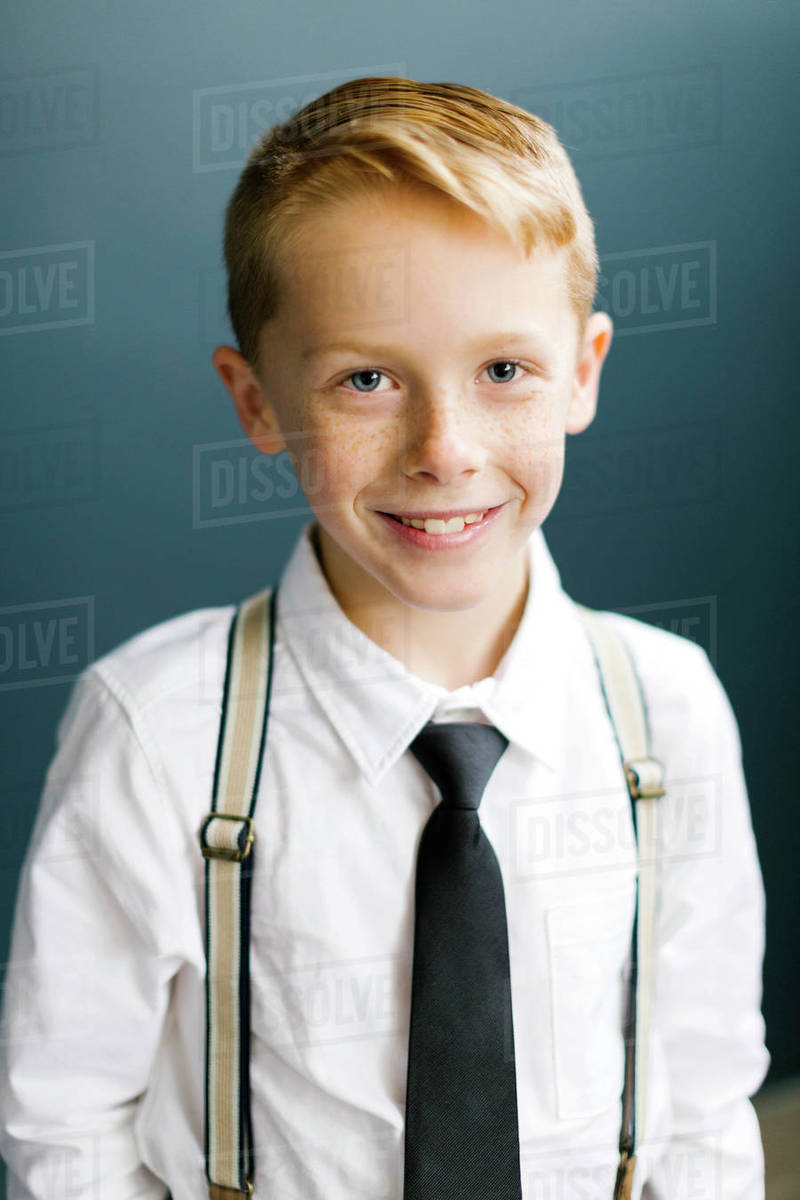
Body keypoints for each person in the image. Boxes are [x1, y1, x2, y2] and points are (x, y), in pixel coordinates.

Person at [0, 77, 768, 1199]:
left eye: (503, 369)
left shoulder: (668, 706)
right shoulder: (159, 729)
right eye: (365, 379)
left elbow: (699, 1105)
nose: (442, 448)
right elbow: (66, 1127)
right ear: (257, 401)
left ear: (582, 373)